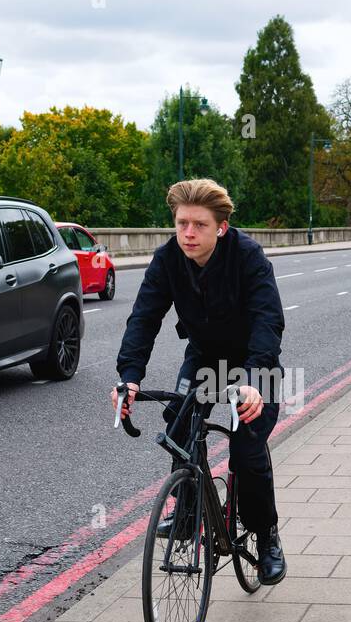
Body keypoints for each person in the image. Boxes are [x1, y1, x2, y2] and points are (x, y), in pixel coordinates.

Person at [112, 178, 288, 585]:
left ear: (221, 227)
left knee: (247, 447)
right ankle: (188, 512)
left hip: (253, 364)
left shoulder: (248, 256)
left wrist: (253, 382)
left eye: (199, 225)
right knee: (179, 424)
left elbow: (268, 319)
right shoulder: (168, 259)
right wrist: (129, 378)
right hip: (206, 358)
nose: (188, 234)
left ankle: (266, 537)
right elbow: (143, 318)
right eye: (181, 223)